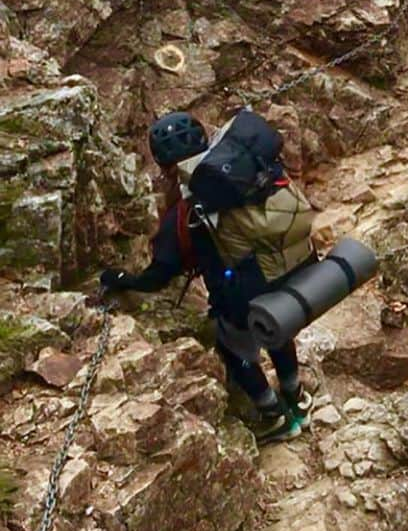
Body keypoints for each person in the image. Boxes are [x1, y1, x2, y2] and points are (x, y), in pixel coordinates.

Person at [98, 111, 314, 444]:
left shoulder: (185, 211)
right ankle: (296, 396)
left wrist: (122, 279)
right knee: (276, 328)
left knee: (233, 347)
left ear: (165, 166)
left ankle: (273, 415)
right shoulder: (246, 168)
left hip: (244, 291)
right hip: (287, 269)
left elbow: (158, 277)